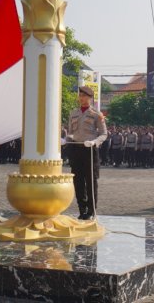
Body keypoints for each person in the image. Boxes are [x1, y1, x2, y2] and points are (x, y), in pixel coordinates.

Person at [66, 86, 108, 220]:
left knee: (91, 181)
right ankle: (82, 209)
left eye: (84, 96)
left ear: (90, 98)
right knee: (77, 181)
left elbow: (104, 134)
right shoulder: (73, 113)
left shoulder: (97, 115)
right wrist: (66, 139)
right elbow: (71, 132)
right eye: (80, 95)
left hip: (89, 150)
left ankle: (91, 210)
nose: (81, 98)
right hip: (76, 149)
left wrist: (95, 142)